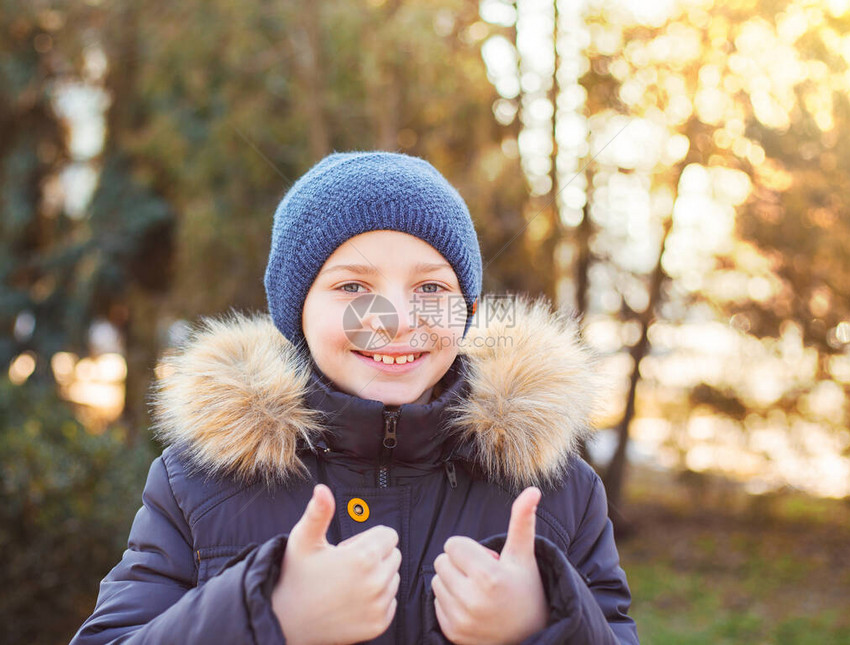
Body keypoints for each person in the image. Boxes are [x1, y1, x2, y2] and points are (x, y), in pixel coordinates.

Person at [71, 151, 638, 644]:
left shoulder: (560, 489)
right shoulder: (197, 483)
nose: (395, 321)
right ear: (298, 313)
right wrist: (266, 615)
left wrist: (545, 622)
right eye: (352, 287)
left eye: (431, 288)